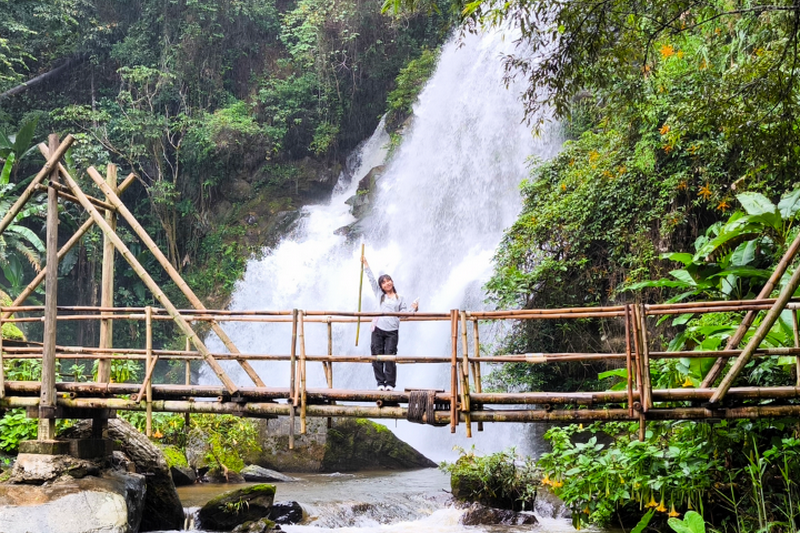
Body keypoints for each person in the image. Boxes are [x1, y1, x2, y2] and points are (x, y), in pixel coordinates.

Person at [361, 256, 418, 391]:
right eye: (384, 282)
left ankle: (390, 384)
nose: (387, 284)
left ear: (392, 282)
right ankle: (380, 383)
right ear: (381, 286)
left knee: (390, 357)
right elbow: (371, 280)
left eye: (388, 281)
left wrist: (414, 308)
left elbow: (404, 316)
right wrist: (366, 264)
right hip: (378, 329)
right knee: (376, 356)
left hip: (392, 331)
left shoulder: (400, 298)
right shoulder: (379, 295)